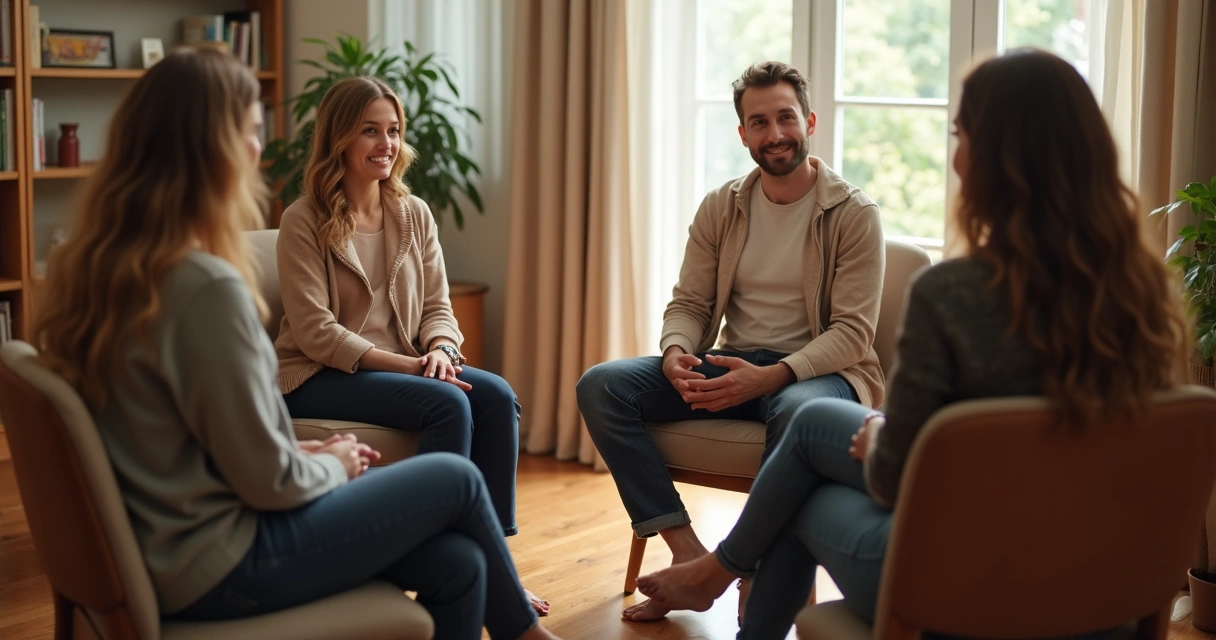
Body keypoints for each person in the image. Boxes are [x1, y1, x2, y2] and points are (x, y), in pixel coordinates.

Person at [632, 48, 1192, 639]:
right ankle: (719, 570)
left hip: (968, 586)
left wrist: (881, 437)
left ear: (993, 158)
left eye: (960, 134)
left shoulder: (953, 294)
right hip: (1107, 589)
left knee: (800, 492)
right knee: (814, 423)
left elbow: (899, 477)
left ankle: (720, 574)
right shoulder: (1149, 295)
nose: (955, 154)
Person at [32, 48, 560, 640]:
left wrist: (302, 451)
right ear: (217, 148)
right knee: (453, 479)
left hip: (167, 546)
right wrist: (333, 463)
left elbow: (193, 440)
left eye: (392, 130)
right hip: (222, 557)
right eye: (252, 132)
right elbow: (270, 477)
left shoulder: (92, 271)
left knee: (461, 562)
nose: (258, 149)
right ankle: (524, 632)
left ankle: (502, 585)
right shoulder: (205, 288)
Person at [576, 60, 885, 622]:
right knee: (602, 386)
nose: (775, 134)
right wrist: (675, 354)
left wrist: (773, 376)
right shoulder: (722, 206)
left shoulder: (853, 213)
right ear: (743, 133)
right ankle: (688, 555)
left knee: (797, 412)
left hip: (819, 376)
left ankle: (755, 569)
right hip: (734, 363)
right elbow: (689, 303)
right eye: (759, 122)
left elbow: (852, 333)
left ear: (810, 121)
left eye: (786, 118)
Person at [272, 76, 547, 615]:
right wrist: (410, 365)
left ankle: (496, 566)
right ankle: (438, 559)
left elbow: (438, 306)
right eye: (370, 131)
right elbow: (315, 332)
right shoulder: (303, 219)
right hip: (316, 375)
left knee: (494, 395)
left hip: (402, 364)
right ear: (339, 138)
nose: (387, 144)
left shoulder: (412, 212)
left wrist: (441, 350)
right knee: (446, 402)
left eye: (394, 130)